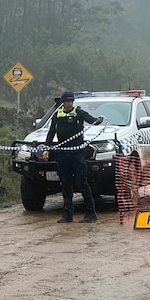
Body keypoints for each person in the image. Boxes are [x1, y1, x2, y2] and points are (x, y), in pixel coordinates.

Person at [39, 90, 104, 223]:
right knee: (66, 184)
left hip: (77, 154)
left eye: (71, 101)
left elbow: (92, 121)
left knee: (82, 183)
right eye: (67, 101)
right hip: (62, 154)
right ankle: (67, 215)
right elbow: (51, 133)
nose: (69, 103)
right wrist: (46, 149)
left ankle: (91, 213)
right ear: (63, 102)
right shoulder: (57, 114)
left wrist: (99, 120)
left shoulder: (79, 112)